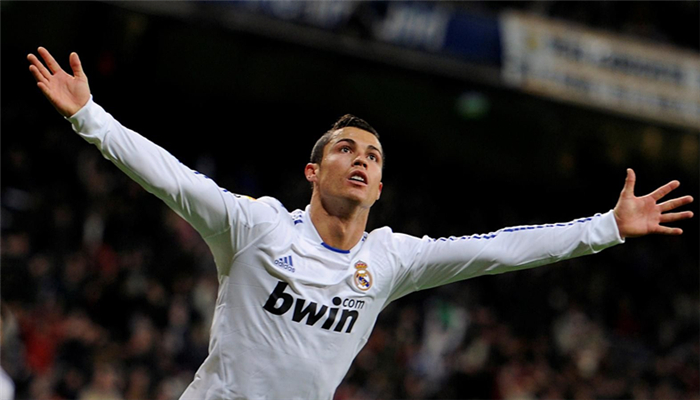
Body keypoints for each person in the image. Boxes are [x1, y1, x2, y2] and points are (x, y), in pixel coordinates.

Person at [28, 47, 694, 400]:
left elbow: (501, 250)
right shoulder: (257, 229)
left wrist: (607, 226)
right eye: (345, 149)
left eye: (371, 157)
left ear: (378, 187)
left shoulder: (391, 260)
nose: (360, 159)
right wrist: (89, 117)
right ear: (313, 171)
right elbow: (173, 179)